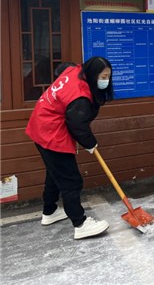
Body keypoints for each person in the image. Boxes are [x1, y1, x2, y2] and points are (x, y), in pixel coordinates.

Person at [25, 56, 114, 239]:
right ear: (92, 75)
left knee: (55, 172)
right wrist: (90, 143)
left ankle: (49, 211)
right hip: (51, 133)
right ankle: (80, 223)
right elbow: (77, 125)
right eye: (103, 77)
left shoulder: (75, 70)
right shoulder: (80, 96)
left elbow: (61, 69)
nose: (105, 81)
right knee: (71, 180)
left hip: (40, 125)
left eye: (108, 77)